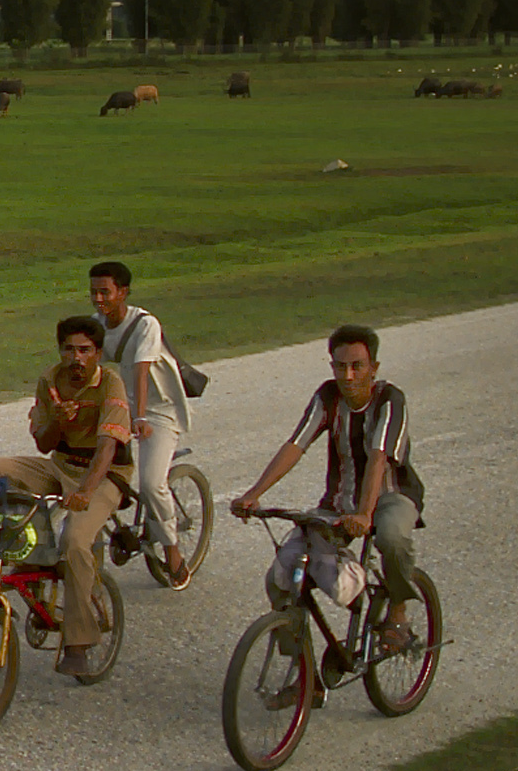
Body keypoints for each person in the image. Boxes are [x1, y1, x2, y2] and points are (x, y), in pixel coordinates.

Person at [231, 323, 423, 651]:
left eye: (357, 366)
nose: (347, 376)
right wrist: (254, 493)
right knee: (281, 578)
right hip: (338, 503)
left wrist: (365, 513)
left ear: (373, 368)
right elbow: (295, 445)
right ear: (331, 365)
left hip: (390, 496)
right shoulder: (328, 396)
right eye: (340, 366)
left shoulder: (390, 399)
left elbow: (378, 458)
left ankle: (398, 611)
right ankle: (305, 676)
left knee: (391, 536)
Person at [0, 317, 132, 678]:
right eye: (69, 349)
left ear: (97, 354)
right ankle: (23, 548)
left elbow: (109, 447)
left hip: (103, 475)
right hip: (61, 464)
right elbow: (44, 443)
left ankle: (78, 643)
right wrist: (60, 422)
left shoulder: (111, 383)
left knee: (77, 541)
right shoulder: (51, 380)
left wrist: (85, 492)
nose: (76, 357)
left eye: (85, 350)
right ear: (60, 350)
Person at [89, 261, 194, 588]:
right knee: (87, 466)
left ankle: (173, 551)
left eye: (105, 292)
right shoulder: (97, 324)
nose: (98, 298)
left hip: (158, 410)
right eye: (93, 292)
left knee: (150, 484)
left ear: (123, 292)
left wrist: (141, 416)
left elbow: (141, 371)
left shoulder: (146, 324)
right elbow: (89, 364)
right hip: (125, 406)